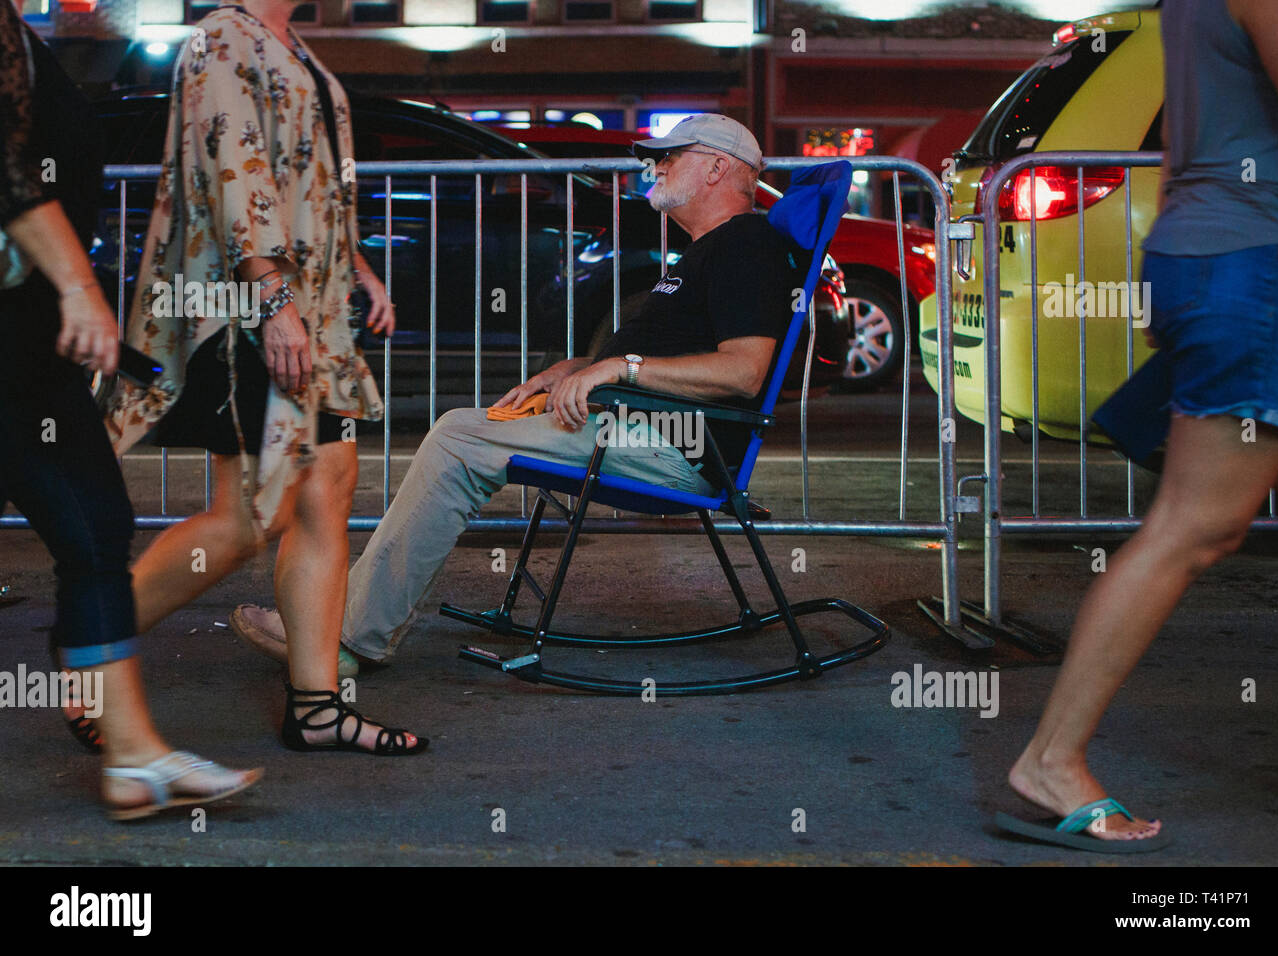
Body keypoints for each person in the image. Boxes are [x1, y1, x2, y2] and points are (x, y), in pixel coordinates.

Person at [230, 113, 804, 671]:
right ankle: (342, 622)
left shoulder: (744, 244)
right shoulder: (706, 249)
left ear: (715, 168)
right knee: (467, 428)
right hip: (636, 425)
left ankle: (343, 637)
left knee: (458, 438)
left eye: (668, 156)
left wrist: (620, 369)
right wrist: (572, 368)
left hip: (675, 444)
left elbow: (743, 372)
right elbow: (672, 349)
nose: (653, 167)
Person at [999, 0, 1278, 851]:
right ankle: (1051, 759)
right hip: (1263, 262)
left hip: (1228, 256)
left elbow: (1184, 143)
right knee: (1195, 526)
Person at [106, 1, 425, 755]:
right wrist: (273, 300)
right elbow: (234, 168)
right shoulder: (224, 35)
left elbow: (305, 177)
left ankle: (316, 708)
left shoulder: (291, 45)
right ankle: (90, 647)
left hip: (307, 309)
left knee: (327, 493)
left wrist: (355, 268)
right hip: (247, 310)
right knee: (252, 517)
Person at [0, 0, 260, 818]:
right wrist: (80, 290)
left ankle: (133, 756)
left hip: (29, 347)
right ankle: (135, 757)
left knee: (96, 533)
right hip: (16, 345)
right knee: (92, 532)